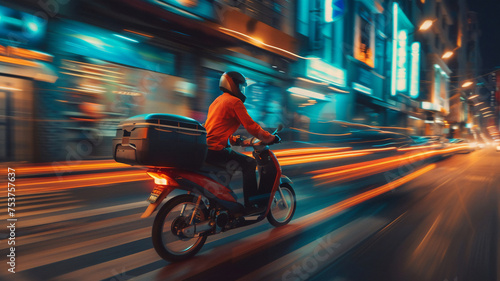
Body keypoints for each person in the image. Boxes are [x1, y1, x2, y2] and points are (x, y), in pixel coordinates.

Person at [204, 71, 280, 209]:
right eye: (240, 86)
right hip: (216, 149)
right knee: (249, 164)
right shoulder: (234, 102)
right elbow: (251, 126)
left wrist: (234, 140)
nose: (242, 90)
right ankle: (251, 205)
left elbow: (214, 128)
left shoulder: (217, 101)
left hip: (206, 149)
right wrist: (270, 138)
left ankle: (222, 204)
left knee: (229, 169)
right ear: (233, 84)